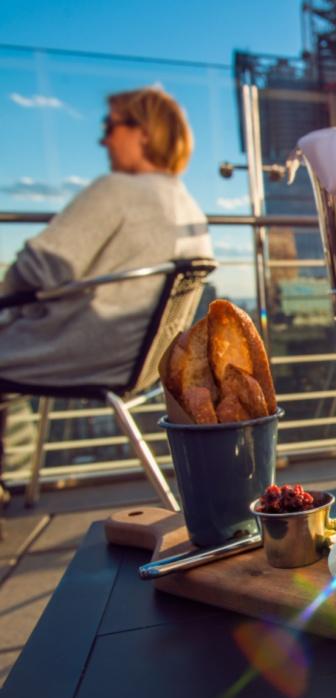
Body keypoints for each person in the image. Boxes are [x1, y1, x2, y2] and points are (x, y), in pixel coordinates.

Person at [0, 86, 211, 502]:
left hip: (83, 349)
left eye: (110, 126)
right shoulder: (189, 206)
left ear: (144, 133)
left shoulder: (115, 190)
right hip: (146, 362)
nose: (103, 139)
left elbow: (44, 265)